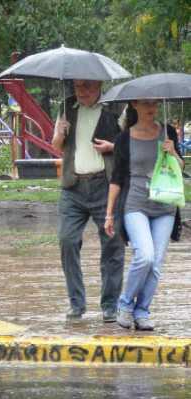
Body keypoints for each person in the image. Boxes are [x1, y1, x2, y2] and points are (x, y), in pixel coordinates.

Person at [104, 100, 184, 331]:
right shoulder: (124, 139)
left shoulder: (167, 132)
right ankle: (126, 304)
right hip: (135, 204)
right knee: (145, 256)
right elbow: (117, 178)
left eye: (155, 103)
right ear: (135, 105)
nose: (152, 107)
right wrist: (109, 214)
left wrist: (174, 154)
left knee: (156, 264)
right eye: (146, 103)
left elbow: (179, 168)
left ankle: (142, 312)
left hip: (165, 206)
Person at [51, 79, 125, 322]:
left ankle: (110, 306)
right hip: (73, 187)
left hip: (105, 186)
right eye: (77, 86)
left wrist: (113, 146)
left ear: (99, 84)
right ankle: (76, 304)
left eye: (87, 86)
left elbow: (131, 145)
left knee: (112, 245)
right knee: (67, 240)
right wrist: (60, 134)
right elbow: (56, 147)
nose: (81, 92)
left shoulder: (116, 108)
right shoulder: (67, 107)